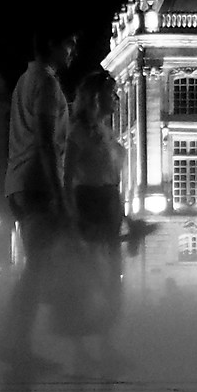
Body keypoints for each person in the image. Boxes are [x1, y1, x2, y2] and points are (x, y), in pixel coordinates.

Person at [0, 34, 71, 366]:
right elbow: (45, 139)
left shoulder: (25, 80)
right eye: (68, 44)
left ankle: (14, 342)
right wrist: (58, 190)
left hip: (19, 181)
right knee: (37, 269)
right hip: (37, 182)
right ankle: (14, 345)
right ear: (51, 45)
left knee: (37, 267)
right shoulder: (46, 82)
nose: (72, 51)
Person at [61, 57, 126, 334]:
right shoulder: (79, 132)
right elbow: (67, 176)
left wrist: (124, 215)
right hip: (90, 202)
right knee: (93, 277)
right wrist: (72, 214)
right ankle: (86, 343)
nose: (116, 99)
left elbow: (114, 177)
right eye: (111, 94)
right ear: (96, 98)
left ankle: (102, 340)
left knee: (113, 279)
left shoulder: (107, 132)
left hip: (109, 202)